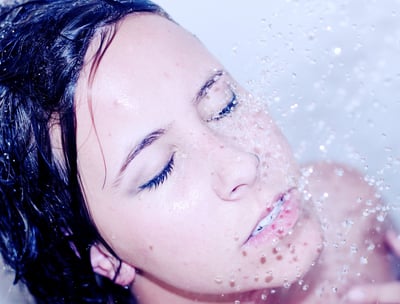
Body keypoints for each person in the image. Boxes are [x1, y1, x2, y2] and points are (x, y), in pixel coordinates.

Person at [0, 0, 399, 303]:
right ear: (102, 254)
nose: (243, 162)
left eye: (222, 104)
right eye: (161, 170)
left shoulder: (344, 211)